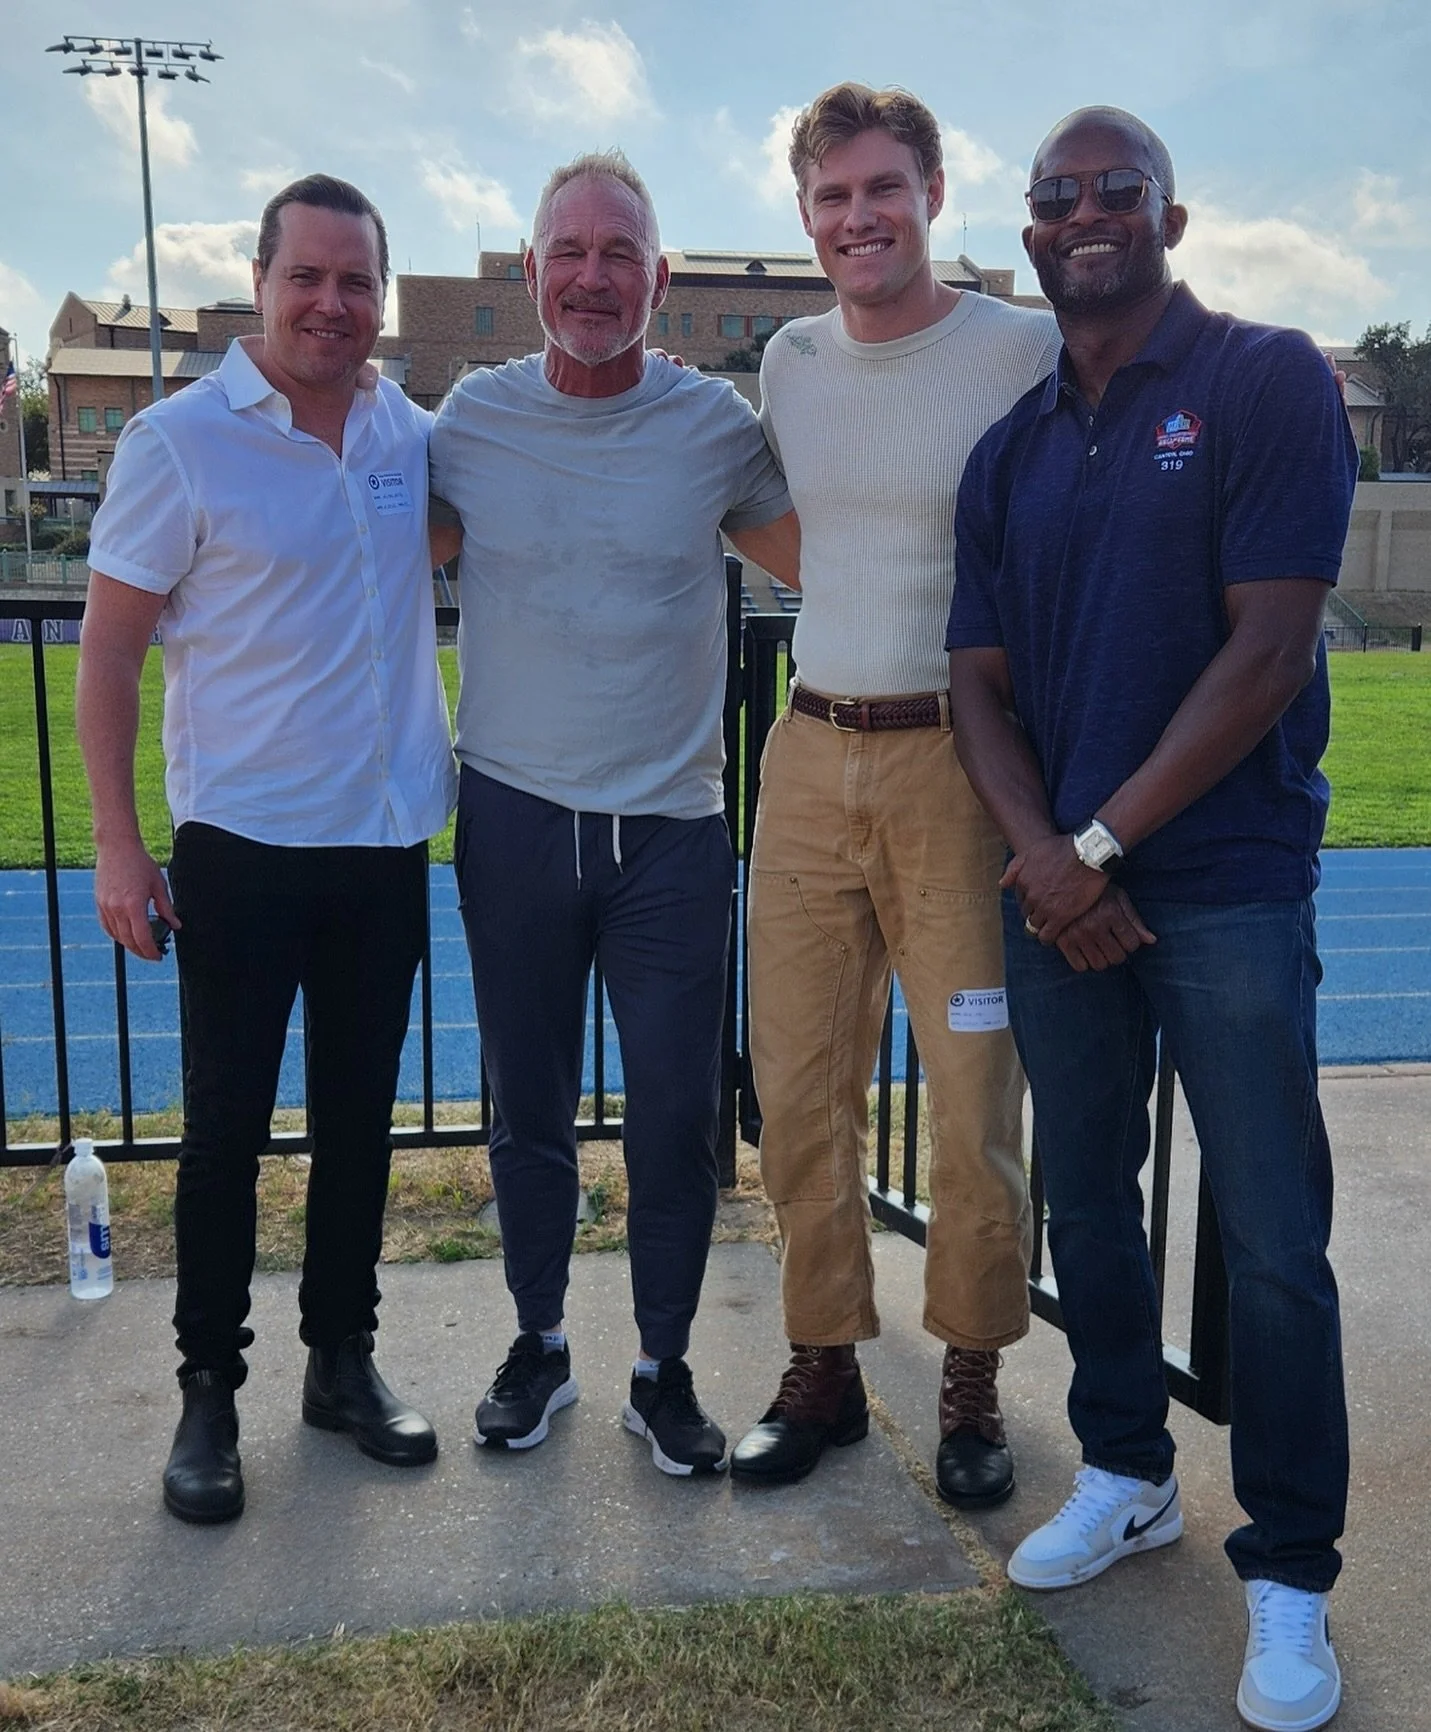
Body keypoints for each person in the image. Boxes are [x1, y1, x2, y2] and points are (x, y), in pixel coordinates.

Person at [946, 108, 1353, 1732]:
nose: (1087, 214)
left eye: (1118, 191)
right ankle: (1124, 1465)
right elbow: (972, 680)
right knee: (1091, 1206)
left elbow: (1266, 653)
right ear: (1031, 233)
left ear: (1169, 219)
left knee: (1269, 1235)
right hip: (1061, 892)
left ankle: (1292, 1567)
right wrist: (1047, 854)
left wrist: (1098, 841)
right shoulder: (1014, 443)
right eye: (1057, 198)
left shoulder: (1262, 377)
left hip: (1224, 879)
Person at [77, 174, 456, 1525]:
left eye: (358, 282)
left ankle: (340, 1367)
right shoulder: (179, 441)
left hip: (384, 844)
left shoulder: (406, 432)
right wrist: (122, 850)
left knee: (359, 1129)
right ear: (261, 279)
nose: (333, 304)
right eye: (309, 277)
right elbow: (110, 654)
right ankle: (206, 1394)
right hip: (238, 849)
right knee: (226, 1137)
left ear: (380, 296)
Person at [428, 150, 798, 1477]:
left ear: (656, 280)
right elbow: (351, 553)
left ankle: (662, 1367)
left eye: (618, 257)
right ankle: (537, 1345)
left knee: (671, 1116)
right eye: (567, 255)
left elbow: (832, 557)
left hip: (670, 834)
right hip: (516, 817)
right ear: (532, 273)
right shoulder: (467, 420)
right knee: (527, 1105)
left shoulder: (713, 430)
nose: (592, 279)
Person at [729, 84, 1061, 1506]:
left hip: (956, 764)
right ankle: (822, 1364)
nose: (856, 218)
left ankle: (974, 1371)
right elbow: (783, 519)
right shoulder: (789, 359)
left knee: (974, 1079)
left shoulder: (1019, 350)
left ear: (931, 188)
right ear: (803, 215)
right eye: (829, 197)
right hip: (806, 750)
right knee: (797, 1082)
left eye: (881, 189)